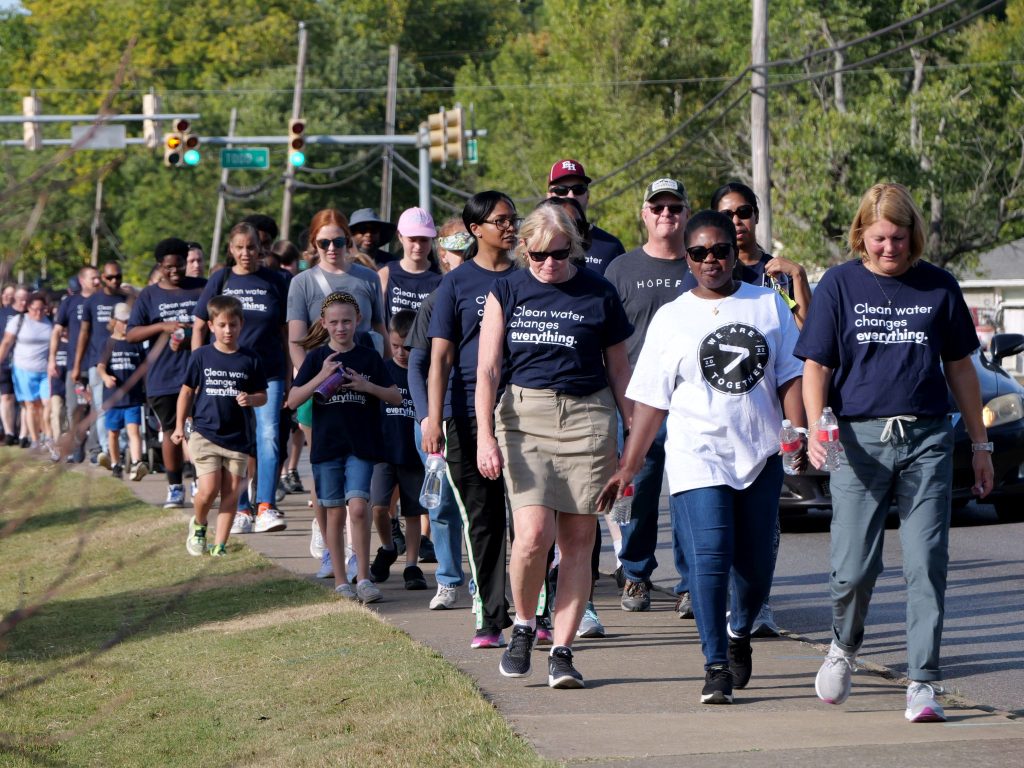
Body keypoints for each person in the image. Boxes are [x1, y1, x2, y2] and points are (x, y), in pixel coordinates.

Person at [796, 183, 993, 723]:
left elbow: (960, 370)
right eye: (880, 238)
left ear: (914, 236)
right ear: (862, 234)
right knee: (853, 568)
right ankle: (844, 645)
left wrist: (980, 445)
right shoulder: (839, 285)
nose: (891, 249)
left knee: (927, 562)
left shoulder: (938, 286)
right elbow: (817, 366)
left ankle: (923, 681)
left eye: (900, 238)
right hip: (857, 442)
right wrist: (817, 427)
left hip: (927, 438)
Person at [599, 209, 805, 705]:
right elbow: (650, 400)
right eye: (700, 253)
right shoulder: (672, 317)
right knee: (710, 561)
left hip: (758, 451)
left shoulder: (766, 305)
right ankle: (715, 665)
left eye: (721, 251)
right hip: (698, 455)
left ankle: (739, 632)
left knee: (755, 569)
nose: (711, 260)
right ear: (687, 259)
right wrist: (629, 465)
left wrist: (796, 432)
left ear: (736, 253)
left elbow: (790, 375)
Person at [477, 204, 633, 688]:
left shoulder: (599, 292)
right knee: (532, 535)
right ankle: (524, 624)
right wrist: (485, 434)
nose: (549, 264)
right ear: (525, 249)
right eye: (539, 255)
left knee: (578, 542)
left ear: (575, 248)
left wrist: (631, 440)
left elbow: (620, 370)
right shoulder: (507, 289)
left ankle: (562, 650)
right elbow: (488, 370)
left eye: (559, 255)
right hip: (525, 417)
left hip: (589, 417)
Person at [702, 181, 812, 637]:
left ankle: (757, 603)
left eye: (745, 211)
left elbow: (810, 339)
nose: (738, 221)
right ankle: (715, 599)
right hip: (717, 414)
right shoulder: (707, 269)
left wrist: (800, 281)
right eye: (728, 213)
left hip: (768, 414)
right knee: (718, 521)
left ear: (756, 216)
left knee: (763, 524)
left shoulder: (777, 274)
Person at [424, 191, 519, 648]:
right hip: (462, 414)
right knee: (482, 519)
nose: (510, 226)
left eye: (512, 219)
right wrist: (432, 418)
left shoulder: (527, 278)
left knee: (528, 518)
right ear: (475, 229)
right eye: (500, 220)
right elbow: (439, 358)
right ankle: (490, 618)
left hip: (522, 413)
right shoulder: (455, 285)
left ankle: (534, 612)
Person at [603, 178, 694, 618]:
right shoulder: (620, 269)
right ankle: (635, 574)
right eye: (657, 207)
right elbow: (605, 342)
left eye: (674, 207)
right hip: (637, 404)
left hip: (694, 405)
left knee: (689, 496)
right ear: (644, 214)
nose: (666, 215)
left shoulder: (699, 264)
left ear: (685, 215)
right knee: (636, 494)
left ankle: (690, 584)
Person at [286, 292, 401, 603]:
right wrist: (321, 376)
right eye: (334, 322)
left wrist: (367, 386)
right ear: (323, 323)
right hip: (327, 447)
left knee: (359, 508)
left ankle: (363, 578)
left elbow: (395, 396)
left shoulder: (369, 358)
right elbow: (292, 401)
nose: (341, 327)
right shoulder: (315, 358)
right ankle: (341, 581)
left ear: (358, 321)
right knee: (335, 513)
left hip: (362, 445)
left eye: (347, 321)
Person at [193, 222, 289, 534]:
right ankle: (241, 508)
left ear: (261, 248)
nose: (246, 253)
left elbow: (286, 332)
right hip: (226, 374)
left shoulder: (276, 280)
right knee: (239, 441)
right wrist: (199, 367)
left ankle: (265, 505)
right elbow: (199, 324)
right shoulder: (221, 278)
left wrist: (290, 375)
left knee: (269, 436)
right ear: (231, 250)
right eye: (239, 248)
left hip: (269, 372)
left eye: (251, 247)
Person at [405, 219, 470, 611]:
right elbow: (417, 366)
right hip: (438, 419)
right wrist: (427, 418)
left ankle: (487, 584)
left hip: (485, 418)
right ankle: (448, 580)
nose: (461, 258)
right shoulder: (435, 301)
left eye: (468, 250)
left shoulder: (498, 291)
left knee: (483, 507)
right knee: (441, 504)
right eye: (455, 251)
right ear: (441, 255)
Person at [174, 295, 267, 557]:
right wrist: (180, 426)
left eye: (233, 325)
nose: (228, 330)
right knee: (208, 489)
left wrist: (251, 398)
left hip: (238, 437)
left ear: (241, 324)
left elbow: (263, 395)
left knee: (231, 493)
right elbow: (186, 392)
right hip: (205, 432)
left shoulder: (250, 358)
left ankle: (220, 545)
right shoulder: (202, 356)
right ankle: (200, 524)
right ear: (212, 326)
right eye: (222, 325)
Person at [126, 239, 207, 508]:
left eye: (180, 265)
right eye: (169, 267)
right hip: (163, 376)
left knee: (197, 431)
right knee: (172, 431)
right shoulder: (149, 295)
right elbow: (132, 334)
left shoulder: (201, 287)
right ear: (160, 266)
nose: (176, 271)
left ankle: (199, 481)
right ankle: (174, 486)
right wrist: (163, 326)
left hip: (197, 372)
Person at [368, 310, 431, 589]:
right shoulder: (383, 370)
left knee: (413, 512)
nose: (401, 352)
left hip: (413, 453)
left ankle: (412, 565)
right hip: (383, 451)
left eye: (407, 347)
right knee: (379, 507)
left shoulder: (423, 373)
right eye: (395, 346)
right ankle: (388, 547)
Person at [72, 262, 128, 464]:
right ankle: (107, 449)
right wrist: (77, 365)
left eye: (118, 276)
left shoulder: (126, 298)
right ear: (103, 278)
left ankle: (121, 449)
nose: (115, 281)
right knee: (102, 407)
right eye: (111, 277)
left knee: (125, 405)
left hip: (125, 360)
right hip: (98, 362)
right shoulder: (93, 301)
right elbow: (84, 333)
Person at [49, 266, 99, 460]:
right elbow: (56, 331)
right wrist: (52, 360)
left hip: (97, 364)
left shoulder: (103, 300)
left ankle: (94, 450)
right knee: (73, 408)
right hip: (74, 365)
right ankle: (76, 447)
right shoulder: (70, 302)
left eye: (98, 278)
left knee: (97, 407)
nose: (97, 281)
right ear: (82, 280)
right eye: (93, 278)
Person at [546, 158, 625, 275]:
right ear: (549, 196)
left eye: (578, 189)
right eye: (561, 190)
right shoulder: (534, 244)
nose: (571, 196)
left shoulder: (611, 246)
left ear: (587, 195)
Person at [96, 302, 147, 481]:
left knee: (134, 431)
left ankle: (136, 463)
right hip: (114, 398)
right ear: (113, 322)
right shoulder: (108, 343)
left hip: (133, 397)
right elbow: (100, 366)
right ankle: (116, 463)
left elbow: (144, 367)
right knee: (113, 433)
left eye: (128, 321)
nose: (126, 325)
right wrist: (105, 377)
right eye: (122, 321)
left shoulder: (136, 343)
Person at [0, 291, 53, 448]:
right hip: (23, 369)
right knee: (30, 405)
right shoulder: (18, 321)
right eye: (35, 309)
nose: (39, 313)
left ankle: (48, 437)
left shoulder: (49, 323)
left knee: (46, 404)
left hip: (44, 370)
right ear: (28, 308)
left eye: (42, 309)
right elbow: (6, 343)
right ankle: (35, 439)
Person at [0, 286, 28, 445]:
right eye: (20, 299)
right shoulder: (3, 314)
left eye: (26, 299)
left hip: (25, 362)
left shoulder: (31, 316)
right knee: (6, 396)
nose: (24, 303)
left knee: (25, 400)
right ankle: (9, 431)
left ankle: (23, 434)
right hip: (5, 361)